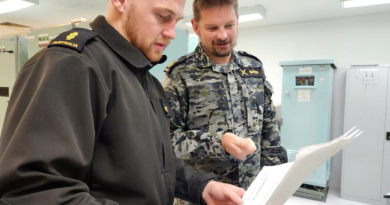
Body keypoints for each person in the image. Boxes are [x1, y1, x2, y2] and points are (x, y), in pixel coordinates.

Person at [0, 0, 246, 204]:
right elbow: (33, 190)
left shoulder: (147, 80)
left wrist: (202, 186)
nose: (171, 32)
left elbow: (156, 162)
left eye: (176, 21)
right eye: (162, 16)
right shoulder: (75, 64)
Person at [163, 0, 287, 203]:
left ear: (237, 21)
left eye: (229, 25)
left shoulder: (253, 68)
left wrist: (278, 183)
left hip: (252, 194)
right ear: (196, 26)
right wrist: (217, 142)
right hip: (203, 197)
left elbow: (270, 131)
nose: (222, 35)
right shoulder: (180, 75)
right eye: (212, 27)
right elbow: (166, 143)